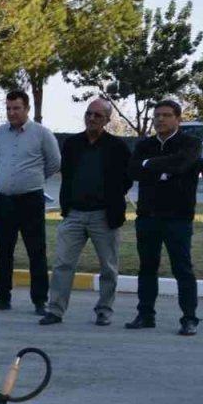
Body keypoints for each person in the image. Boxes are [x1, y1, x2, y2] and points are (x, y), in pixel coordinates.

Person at [38, 99, 132, 326]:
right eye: (89, 114)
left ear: (108, 120)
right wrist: (67, 205)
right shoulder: (72, 144)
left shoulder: (117, 147)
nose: (92, 118)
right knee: (62, 264)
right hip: (75, 214)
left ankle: (104, 311)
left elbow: (126, 179)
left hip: (104, 215)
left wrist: (110, 198)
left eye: (98, 115)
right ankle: (56, 310)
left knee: (108, 267)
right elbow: (67, 175)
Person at [128, 100, 203, 336]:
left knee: (182, 269)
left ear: (178, 119)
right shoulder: (145, 145)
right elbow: (133, 170)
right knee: (147, 267)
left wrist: (150, 165)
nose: (160, 120)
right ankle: (145, 314)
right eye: (157, 115)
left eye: (166, 115)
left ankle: (189, 318)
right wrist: (161, 169)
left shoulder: (190, 143)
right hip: (148, 216)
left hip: (178, 218)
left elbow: (181, 165)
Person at [0, 90, 61, 315]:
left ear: (27, 109)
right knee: (3, 251)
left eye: (16, 108)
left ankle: (39, 300)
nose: (11, 112)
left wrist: (32, 179)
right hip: (3, 201)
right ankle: (2, 297)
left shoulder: (42, 134)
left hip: (31, 200)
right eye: (8, 108)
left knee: (36, 251)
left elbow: (54, 163)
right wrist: (8, 179)